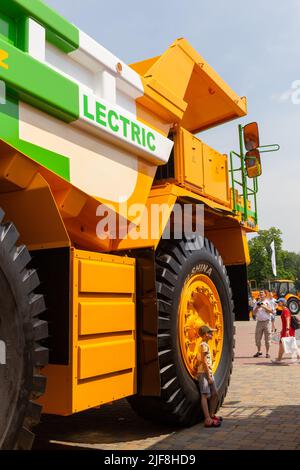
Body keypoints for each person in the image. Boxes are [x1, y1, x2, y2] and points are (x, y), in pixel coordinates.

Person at [196, 325, 222, 428]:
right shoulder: (204, 345)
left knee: (214, 394)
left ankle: (211, 414)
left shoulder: (205, 344)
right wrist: (209, 376)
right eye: (210, 333)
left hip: (208, 373)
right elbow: (204, 362)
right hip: (204, 373)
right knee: (205, 395)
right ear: (206, 334)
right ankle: (207, 419)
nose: (212, 334)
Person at [274, 298, 300, 364]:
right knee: (281, 344)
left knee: (293, 345)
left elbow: (288, 319)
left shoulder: (285, 310)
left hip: (287, 330)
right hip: (285, 330)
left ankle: (279, 360)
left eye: (279, 302)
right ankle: (279, 359)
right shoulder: (284, 310)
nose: (278, 303)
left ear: (282, 302)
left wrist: (287, 330)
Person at [253, 290, 273, 358]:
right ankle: (259, 351)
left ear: (265, 295)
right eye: (260, 294)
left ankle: (267, 353)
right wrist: (257, 307)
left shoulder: (268, 302)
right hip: (259, 322)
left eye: (262, 294)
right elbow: (253, 313)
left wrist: (264, 307)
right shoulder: (257, 303)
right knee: (257, 339)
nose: (261, 295)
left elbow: (271, 311)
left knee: (267, 339)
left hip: (267, 322)